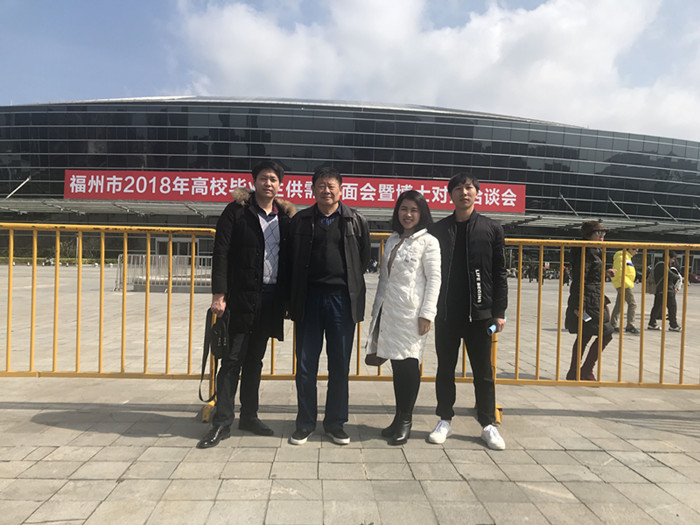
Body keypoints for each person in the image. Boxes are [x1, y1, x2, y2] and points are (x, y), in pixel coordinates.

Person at [198, 160, 295, 449]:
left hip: (270, 298)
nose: (268, 183)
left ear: (280, 185)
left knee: (255, 361)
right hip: (240, 298)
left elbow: (289, 261)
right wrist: (219, 294)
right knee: (231, 360)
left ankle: (249, 416)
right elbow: (221, 252)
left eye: (274, 179)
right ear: (255, 181)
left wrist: (287, 300)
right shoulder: (236, 212)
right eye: (264, 178)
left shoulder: (285, 218)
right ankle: (222, 421)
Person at [288, 166, 370, 446]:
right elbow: (290, 261)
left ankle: (335, 424)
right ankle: (305, 423)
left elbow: (362, 259)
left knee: (339, 365)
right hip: (309, 299)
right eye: (321, 185)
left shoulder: (356, 220)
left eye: (331, 185)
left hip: (342, 302)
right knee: (305, 366)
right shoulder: (300, 221)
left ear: (341, 190)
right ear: (312, 189)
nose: (326, 190)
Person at [427, 172, 508, 450]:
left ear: (477, 193)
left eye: (469, 187)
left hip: (481, 315)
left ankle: (487, 424)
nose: (464, 192)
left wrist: (500, 312)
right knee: (445, 369)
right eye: (459, 188)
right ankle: (444, 419)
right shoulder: (438, 230)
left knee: (483, 371)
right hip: (446, 313)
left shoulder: (491, 228)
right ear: (450, 194)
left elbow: (499, 272)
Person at [365, 190, 441, 445]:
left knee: (409, 365)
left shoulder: (429, 242)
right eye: (404, 209)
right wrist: (376, 311)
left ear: (422, 214)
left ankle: (406, 420)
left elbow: (434, 280)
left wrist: (427, 314)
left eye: (414, 210)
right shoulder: (393, 238)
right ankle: (398, 418)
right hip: (389, 312)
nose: (408, 214)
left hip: (412, 315)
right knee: (397, 366)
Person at [564, 221, 615, 381]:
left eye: (603, 233)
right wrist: (579, 305)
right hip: (588, 302)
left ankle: (575, 372)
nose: (602, 237)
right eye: (598, 233)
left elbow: (590, 274)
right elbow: (581, 278)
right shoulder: (585, 251)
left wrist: (605, 273)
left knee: (586, 334)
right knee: (605, 333)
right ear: (588, 235)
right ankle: (585, 370)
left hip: (593, 299)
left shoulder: (593, 250)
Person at [648, 251, 682, 331]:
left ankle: (652, 323)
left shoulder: (661, 264)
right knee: (672, 307)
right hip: (666, 290)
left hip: (661, 290)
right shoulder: (662, 265)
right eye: (672, 259)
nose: (673, 261)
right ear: (668, 257)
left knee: (657, 307)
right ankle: (673, 325)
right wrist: (678, 277)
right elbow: (671, 275)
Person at [610, 247, 639, 334]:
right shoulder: (622, 257)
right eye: (635, 250)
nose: (636, 252)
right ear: (629, 249)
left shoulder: (627, 258)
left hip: (624, 283)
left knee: (619, 304)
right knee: (632, 304)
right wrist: (624, 283)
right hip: (623, 283)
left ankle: (613, 324)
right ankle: (630, 325)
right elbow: (619, 272)